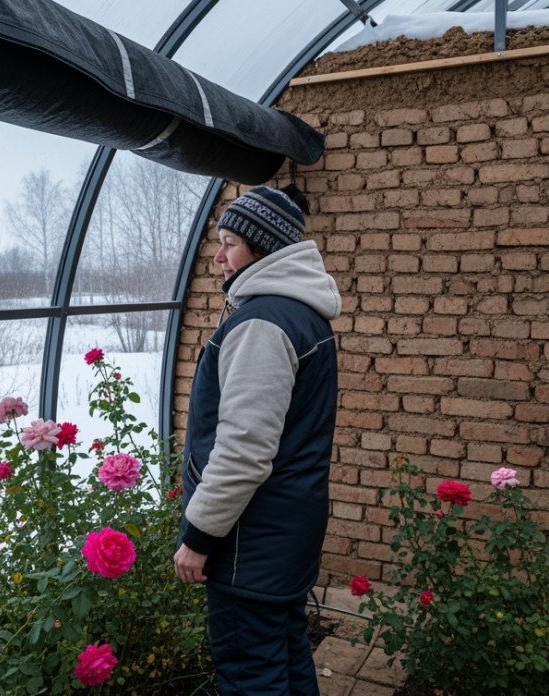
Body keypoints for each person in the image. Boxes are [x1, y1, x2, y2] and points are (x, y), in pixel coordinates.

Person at [174, 185, 340, 695]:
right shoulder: (300, 312)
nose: (218, 257)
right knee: (286, 654)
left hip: (250, 543)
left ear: (263, 248)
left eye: (229, 244)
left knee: (252, 676)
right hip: (284, 532)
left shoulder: (263, 324)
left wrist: (199, 537)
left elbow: (244, 451)